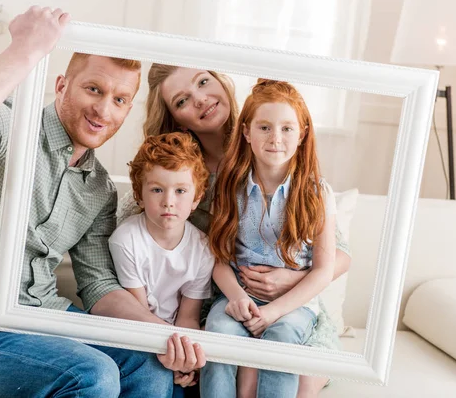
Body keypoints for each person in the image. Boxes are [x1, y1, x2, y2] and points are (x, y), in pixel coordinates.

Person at [0, 7, 202, 397]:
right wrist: (25, 49)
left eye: (119, 99)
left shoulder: (98, 189)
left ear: (128, 110)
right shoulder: (8, 126)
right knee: (90, 374)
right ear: (61, 85)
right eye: (93, 89)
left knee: (148, 367)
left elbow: (99, 286)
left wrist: (162, 333)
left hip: (43, 317)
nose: (103, 110)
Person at [118, 64, 352, 397]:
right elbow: (137, 228)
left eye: (203, 82)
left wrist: (290, 279)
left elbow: (336, 257)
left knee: (290, 378)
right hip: (221, 305)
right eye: (183, 100)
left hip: (291, 302)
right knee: (233, 370)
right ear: (174, 117)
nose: (200, 100)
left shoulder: (280, 148)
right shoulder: (178, 174)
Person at [201, 79, 336, 397]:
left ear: (302, 134)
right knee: (218, 330)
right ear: (246, 132)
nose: (276, 138)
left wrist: (274, 313)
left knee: (283, 337)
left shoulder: (317, 193)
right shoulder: (228, 188)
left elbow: (323, 271)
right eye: (264, 127)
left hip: (293, 306)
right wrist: (237, 298)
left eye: (287, 128)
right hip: (239, 297)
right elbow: (219, 260)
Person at [109, 132, 215, 397]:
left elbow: (188, 317)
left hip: (175, 339)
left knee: (185, 389)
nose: (169, 201)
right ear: (139, 196)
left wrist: (184, 361)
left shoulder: (202, 249)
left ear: (196, 199)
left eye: (180, 191)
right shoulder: (126, 240)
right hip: (137, 337)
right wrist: (167, 355)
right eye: (157, 189)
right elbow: (138, 314)